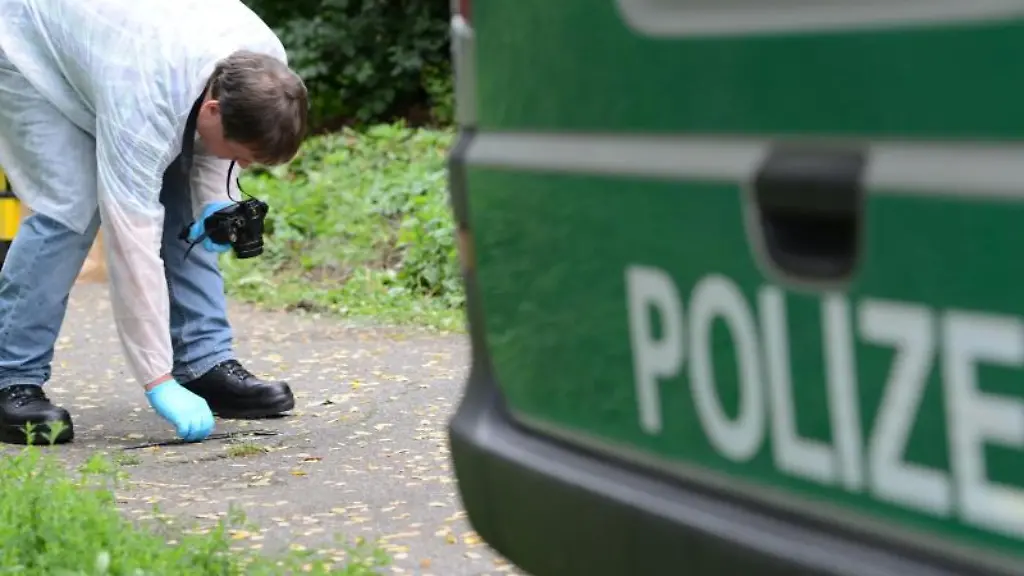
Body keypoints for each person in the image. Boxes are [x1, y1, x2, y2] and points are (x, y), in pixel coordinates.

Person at [0, 0, 309, 445]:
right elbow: (132, 249)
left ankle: (205, 362)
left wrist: (216, 205)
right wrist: (157, 379)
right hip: (25, 39)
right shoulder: (145, 99)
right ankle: (11, 376)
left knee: (183, 190)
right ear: (214, 110)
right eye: (241, 157)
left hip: (114, 48)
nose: (241, 166)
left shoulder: (263, 66)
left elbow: (208, 152)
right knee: (72, 204)